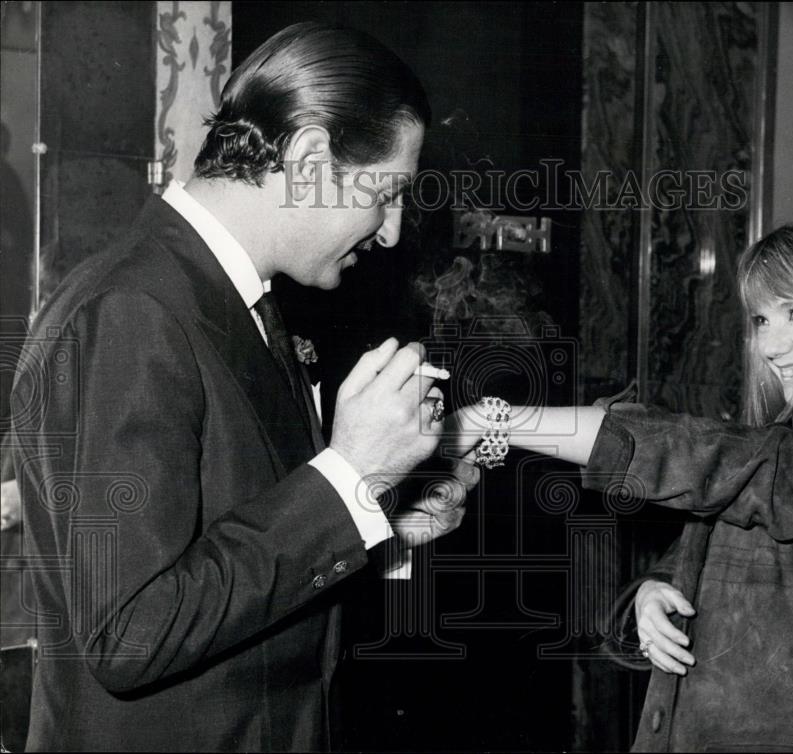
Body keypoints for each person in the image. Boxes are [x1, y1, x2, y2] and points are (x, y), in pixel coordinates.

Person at [9, 23, 476, 751]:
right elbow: (128, 634)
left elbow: (226, 547)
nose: (390, 231)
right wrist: (350, 478)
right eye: (387, 193)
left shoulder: (231, 300)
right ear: (311, 159)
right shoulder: (132, 310)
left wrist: (372, 521)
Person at [446, 215, 793, 752]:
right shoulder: (789, 448)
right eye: (761, 319)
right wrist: (652, 593)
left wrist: (495, 421)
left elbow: (709, 460)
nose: (770, 345)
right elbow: (707, 552)